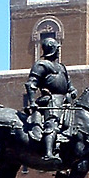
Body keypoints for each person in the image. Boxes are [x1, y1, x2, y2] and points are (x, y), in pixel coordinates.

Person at [24, 36, 77, 164]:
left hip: (65, 101)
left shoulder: (62, 67)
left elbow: (69, 85)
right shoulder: (41, 65)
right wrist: (32, 102)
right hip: (50, 100)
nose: (59, 51)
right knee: (52, 123)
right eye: (57, 49)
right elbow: (31, 84)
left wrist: (73, 90)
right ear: (52, 50)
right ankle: (48, 153)